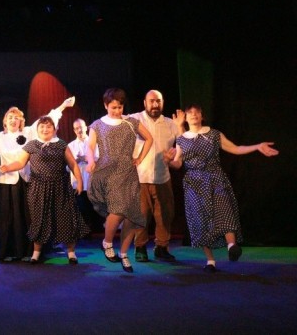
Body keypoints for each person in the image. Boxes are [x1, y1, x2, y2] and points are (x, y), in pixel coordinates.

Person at [0, 96, 75, 262]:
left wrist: (63, 106)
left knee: (29, 217)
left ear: (21, 121)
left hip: (28, 181)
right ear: (5, 121)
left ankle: (31, 252)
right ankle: (10, 252)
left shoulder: (29, 133)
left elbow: (46, 120)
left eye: (16, 117)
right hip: (8, 182)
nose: (13, 120)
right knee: (10, 217)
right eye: (10, 117)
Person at [168, 103, 278, 273]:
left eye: (197, 112)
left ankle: (231, 246)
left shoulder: (214, 134)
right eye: (190, 113)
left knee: (224, 209)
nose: (194, 114)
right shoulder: (181, 139)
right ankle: (210, 260)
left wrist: (257, 147)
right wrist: (168, 161)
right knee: (200, 220)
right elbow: (177, 163)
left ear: (202, 116)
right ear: (186, 118)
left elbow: (235, 148)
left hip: (215, 178)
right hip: (193, 183)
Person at [0, 116, 89, 264]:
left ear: (54, 129)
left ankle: (71, 253)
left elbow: (73, 164)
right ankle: (36, 254)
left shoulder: (61, 144)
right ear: (37, 129)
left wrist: (79, 182)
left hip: (61, 187)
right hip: (38, 189)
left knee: (66, 219)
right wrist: (7, 167)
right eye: (42, 126)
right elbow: (20, 163)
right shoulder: (31, 145)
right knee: (39, 221)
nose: (45, 129)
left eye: (48, 126)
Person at [86, 88, 153, 273]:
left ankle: (124, 254)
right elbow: (90, 147)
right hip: (108, 173)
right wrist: (90, 161)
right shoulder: (97, 125)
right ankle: (107, 243)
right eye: (113, 107)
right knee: (118, 210)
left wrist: (139, 158)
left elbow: (149, 139)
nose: (117, 111)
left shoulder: (131, 122)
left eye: (120, 107)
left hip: (128, 173)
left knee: (131, 214)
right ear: (106, 105)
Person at [129, 90, 185, 262]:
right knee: (141, 214)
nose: (155, 104)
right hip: (140, 177)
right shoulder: (134, 119)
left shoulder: (170, 123)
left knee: (165, 215)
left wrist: (181, 126)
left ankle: (162, 247)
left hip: (162, 177)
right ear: (144, 103)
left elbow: (185, 144)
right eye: (152, 101)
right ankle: (140, 247)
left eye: (158, 101)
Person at [67, 118, 99, 232]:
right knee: (81, 209)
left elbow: (99, 160)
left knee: (94, 209)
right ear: (74, 130)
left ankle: (95, 232)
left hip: (92, 182)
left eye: (81, 127)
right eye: (76, 128)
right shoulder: (70, 146)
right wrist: (75, 161)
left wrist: (85, 158)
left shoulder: (94, 142)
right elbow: (67, 167)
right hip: (78, 184)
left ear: (86, 127)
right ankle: (84, 233)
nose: (79, 130)